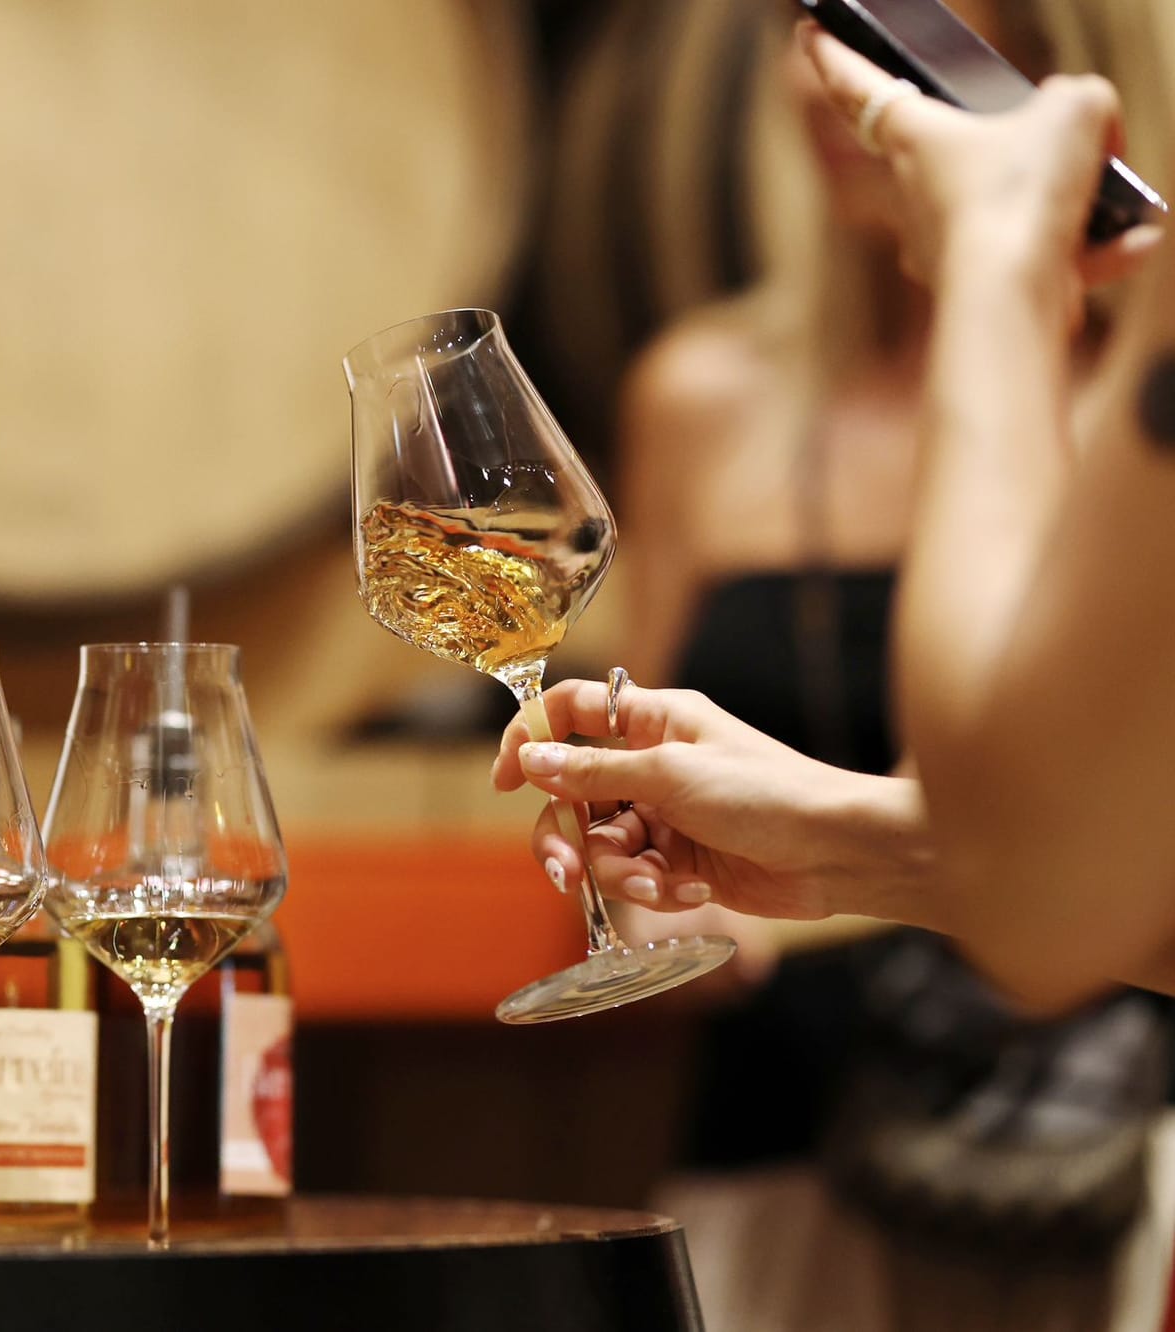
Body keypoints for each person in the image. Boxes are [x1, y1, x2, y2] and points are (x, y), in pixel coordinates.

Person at [498, 23, 1175, 1328]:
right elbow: (1087, 872)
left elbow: (1046, 896)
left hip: (1097, 1173)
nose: (829, 80)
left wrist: (996, 260)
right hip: (778, 1145)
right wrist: (821, 840)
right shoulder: (712, 393)